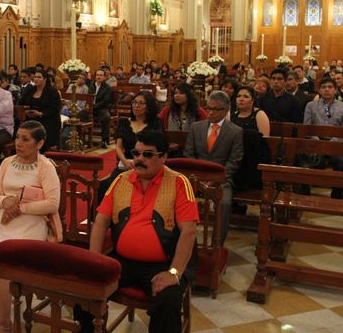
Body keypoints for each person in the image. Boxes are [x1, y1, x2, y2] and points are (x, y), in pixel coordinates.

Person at [77, 130, 198, 333]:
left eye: (148, 154)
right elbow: (100, 222)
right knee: (85, 288)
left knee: (167, 303)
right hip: (124, 260)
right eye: (136, 153)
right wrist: (94, 261)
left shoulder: (178, 183)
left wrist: (174, 273)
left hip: (164, 263)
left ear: (164, 156)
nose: (139, 159)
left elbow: (189, 232)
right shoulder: (121, 180)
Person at [0, 121, 61, 332]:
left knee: (1, 269)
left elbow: (53, 204)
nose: (18, 143)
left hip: (31, 225)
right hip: (2, 222)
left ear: (40, 143)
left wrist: (20, 207)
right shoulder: (8, 162)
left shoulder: (46, 167)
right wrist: (5, 203)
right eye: (17, 137)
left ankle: (5, 322)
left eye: (25, 139)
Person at [184, 91, 243, 245]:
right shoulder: (197, 127)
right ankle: (182, 241)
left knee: (224, 203)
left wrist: (216, 179)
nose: (210, 112)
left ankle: (217, 243)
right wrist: (199, 178)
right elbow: (188, 154)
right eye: (208, 107)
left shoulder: (235, 131)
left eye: (215, 109)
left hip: (222, 179)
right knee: (177, 197)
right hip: (196, 177)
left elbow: (234, 161)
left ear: (225, 110)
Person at [100, 91, 162, 202]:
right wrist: (124, 161)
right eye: (134, 103)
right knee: (108, 187)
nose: (136, 106)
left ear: (148, 107)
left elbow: (158, 147)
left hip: (147, 164)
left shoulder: (156, 123)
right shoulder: (124, 122)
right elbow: (118, 147)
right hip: (126, 163)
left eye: (141, 103)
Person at [303, 77, 343, 199]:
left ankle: (337, 194)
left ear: (335, 90)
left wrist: (332, 142)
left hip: (336, 143)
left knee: (340, 161)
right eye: (323, 87)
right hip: (316, 141)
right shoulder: (311, 105)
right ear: (319, 90)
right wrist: (316, 139)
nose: (327, 90)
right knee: (305, 159)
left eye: (330, 87)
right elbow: (307, 126)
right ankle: (304, 194)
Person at [231, 86, 271, 193]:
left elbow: (264, 142)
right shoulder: (233, 115)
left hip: (254, 157)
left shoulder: (259, 115)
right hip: (236, 155)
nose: (241, 99)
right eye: (238, 96)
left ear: (253, 100)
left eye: (245, 96)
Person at [19, 69, 61, 151]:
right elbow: (21, 103)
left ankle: (41, 152)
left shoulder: (52, 91)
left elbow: (55, 109)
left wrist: (41, 113)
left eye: (39, 77)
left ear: (45, 79)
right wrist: (26, 111)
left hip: (47, 120)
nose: (36, 79)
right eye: (35, 77)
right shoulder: (30, 90)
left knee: (40, 132)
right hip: (31, 118)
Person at [88, 69, 113, 148]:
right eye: (97, 75)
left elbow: (106, 101)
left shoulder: (107, 87)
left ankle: (104, 140)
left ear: (104, 77)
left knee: (106, 116)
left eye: (100, 75)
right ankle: (81, 139)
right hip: (91, 108)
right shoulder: (92, 85)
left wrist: (94, 107)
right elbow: (89, 97)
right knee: (80, 114)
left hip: (101, 108)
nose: (98, 77)